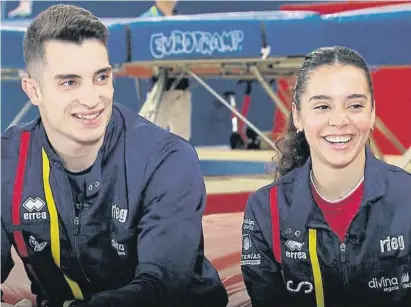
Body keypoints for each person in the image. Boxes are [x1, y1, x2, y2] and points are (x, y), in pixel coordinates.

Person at [1, 4, 228, 307]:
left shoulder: (166, 160)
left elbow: (158, 290)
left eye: (101, 77)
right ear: (33, 91)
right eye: (70, 82)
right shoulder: (7, 161)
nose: (92, 99)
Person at [240, 46, 411, 307]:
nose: (339, 120)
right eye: (322, 106)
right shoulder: (267, 211)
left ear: (372, 112)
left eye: (354, 105)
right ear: (298, 116)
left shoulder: (407, 199)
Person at [138, 0, 193, 142]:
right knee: (148, 141)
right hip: (158, 90)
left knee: (182, 142)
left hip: (181, 90)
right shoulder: (146, 20)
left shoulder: (184, 22)